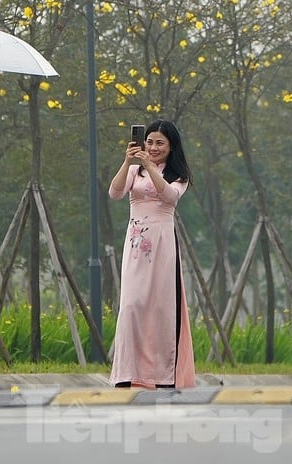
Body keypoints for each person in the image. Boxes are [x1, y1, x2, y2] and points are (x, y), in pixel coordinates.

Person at [107, 119, 196, 389]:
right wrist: (128, 163)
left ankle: (162, 375)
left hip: (163, 245)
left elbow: (169, 196)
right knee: (132, 306)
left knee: (160, 310)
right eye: (150, 142)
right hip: (136, 245)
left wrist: (148, 165)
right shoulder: (135, 170)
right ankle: (127, 373)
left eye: (160, 143)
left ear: (171, 147)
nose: (153, 147)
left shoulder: (179, 175)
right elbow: (114, 193)